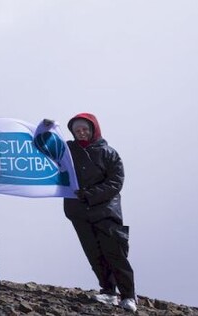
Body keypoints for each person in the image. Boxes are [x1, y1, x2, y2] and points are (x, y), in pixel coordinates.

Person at [50, 114, 136, 312]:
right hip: (79, 212)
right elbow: (47, 149)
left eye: (84, 129)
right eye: (77, 130)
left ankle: (129, 296)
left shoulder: (109, 153)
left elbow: (115, 182)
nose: (81, 133)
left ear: (93, 129)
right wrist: (46, 129)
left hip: (105, 211)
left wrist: (91, 194)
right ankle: (108, 292)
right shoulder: (69, 150)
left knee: (115, 253)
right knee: (94, 254)